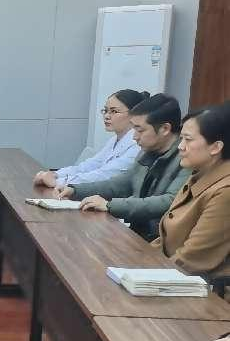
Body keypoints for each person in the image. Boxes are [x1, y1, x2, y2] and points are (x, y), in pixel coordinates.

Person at [57, 93, 187, 240]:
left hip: (159, 239)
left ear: (164, 129)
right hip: (138, 233)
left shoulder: (185, 158)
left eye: (140, 130)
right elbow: (123, 183)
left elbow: (169, 201)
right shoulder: (148, 151)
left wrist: (110, 205)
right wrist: (75, 190)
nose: (134, 137)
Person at [153, 102, 230, 279]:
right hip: (173, 273)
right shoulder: (199, 174)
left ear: (216, 147)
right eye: (181, 139)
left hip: (207, 288)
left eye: (188, 139)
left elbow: (192, 259)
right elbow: (165, 240)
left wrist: (144, 273)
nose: (180, 146)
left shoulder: (225, 191)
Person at [33, 90, 146, 188]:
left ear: (134, 114)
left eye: (114, 111)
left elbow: (105, 175)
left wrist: (58, 182)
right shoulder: (114, 140)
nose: (107, 116)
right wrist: (56, 174)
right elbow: (88, 166)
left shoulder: (137, 145)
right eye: (105, 110)